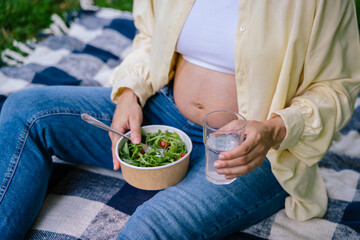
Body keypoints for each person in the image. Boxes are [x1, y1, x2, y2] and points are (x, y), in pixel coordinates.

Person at [1, 0, 360, 239]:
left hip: (255, 150)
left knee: (149, 227)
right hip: (165, 112)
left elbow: (338, 86)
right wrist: (130, 92)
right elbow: (150, 38)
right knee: (26, 111)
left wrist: (274, 128)